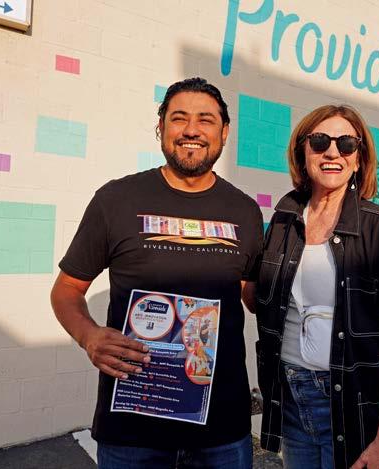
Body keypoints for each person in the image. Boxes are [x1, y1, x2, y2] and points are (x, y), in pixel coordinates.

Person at [51, 77, 263, 469]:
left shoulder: (245, 211)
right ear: (160, 127)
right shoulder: (116, 200)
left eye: (206, 120)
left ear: (224, 132)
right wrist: (88, 336)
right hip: (133, 432)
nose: (192, 130)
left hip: (221, 432)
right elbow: (66, 290)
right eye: (179, 118)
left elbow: (254, 297)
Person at [248, 105, 379, 469]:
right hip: (292, 400)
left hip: (357, 405)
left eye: (346, 144)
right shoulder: (284, 223)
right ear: (302, 152)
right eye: (320, 141)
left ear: (359, 158)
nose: (332, 152)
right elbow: (262, 300)